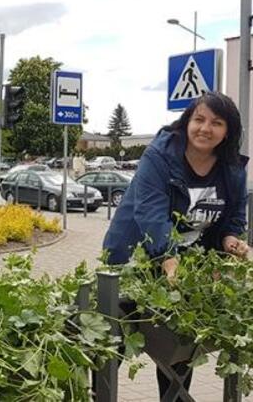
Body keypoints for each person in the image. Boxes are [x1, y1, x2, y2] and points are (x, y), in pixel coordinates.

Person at [103, 91, 249, 400]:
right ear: (187, 123)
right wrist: (169, 257)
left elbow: (234, 214)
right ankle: (102, 393)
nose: (205, 128)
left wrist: (232, 239)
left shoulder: (232, 168)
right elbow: (150, 212)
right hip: (133, 257)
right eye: (198, 119)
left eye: (216, 122)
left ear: (228, 131)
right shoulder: (160, 156)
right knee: (114, 337)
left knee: (180, 347)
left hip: (187, 266)